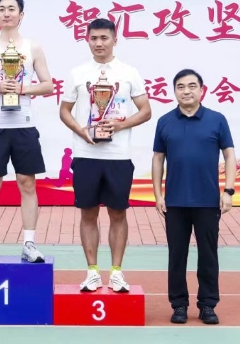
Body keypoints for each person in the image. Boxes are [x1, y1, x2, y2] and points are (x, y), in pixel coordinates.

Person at [59, 18, 151, 293]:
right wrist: (81, 131)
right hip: (86, 154)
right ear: (87, 40)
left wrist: (120, 125)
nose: (99, 43)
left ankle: (117, 273)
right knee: (88, 213)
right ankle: (92, 272)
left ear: (114, 40)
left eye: (104, 38)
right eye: (94, 38)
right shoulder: (77, 73)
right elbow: (64, 111)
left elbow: (145, 111)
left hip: (118, 156)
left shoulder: (129, 73)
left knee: (117, 213)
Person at [0, 0, 54, 263]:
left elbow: (48, 85)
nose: (7, 13)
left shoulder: (33, 47)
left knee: (27, 183)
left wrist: (21, 88)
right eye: (2, 9)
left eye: (12, 9)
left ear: (21, 14)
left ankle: (29, 243)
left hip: (24, 125)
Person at [151, 68, 236, 325]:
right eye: (180, 87)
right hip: (175, 202)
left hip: (208, 202)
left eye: (191, 86)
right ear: (174, 91)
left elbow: (229, 155)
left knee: (208, 255)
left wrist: (228, 191)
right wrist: (158, 195)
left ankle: (208, 305)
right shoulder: (165, 121)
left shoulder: (217, 120)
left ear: (201, 90)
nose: (186, 91)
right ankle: (179, 305)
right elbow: (158, 159)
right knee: (177, 256)